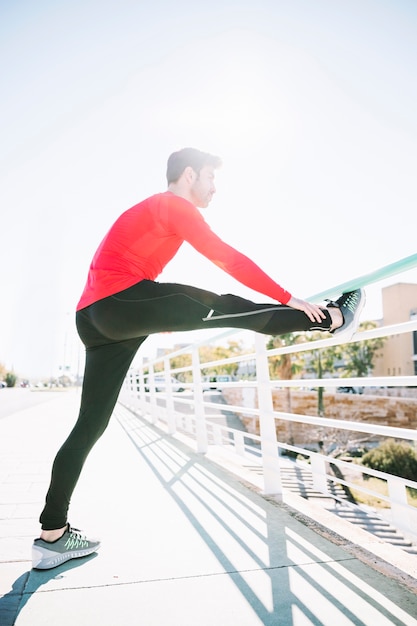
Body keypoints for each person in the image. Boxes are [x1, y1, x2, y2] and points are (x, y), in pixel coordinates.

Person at [32, 147, 364, 569]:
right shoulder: (172, 204)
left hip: (94, 317)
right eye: (210, 177)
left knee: (89, 427)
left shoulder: (150, 211)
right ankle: (333, 317)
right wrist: (289, 297)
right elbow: (227, 257)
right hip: (121, 303)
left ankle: (52, 537)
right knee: (229, 306)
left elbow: (124, 269)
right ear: (188, 175)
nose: (214, 188)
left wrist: (156, 313)